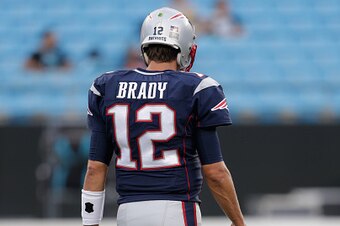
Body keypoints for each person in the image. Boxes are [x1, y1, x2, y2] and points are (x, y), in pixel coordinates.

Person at [81, 7, 246, 226]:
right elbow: (215, 172)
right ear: (185, 48)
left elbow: (94, 169)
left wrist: (90, 223)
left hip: (127, 213)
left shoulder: (106, 86)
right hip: (176, 208)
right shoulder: (196, 88)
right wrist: (239, 223)